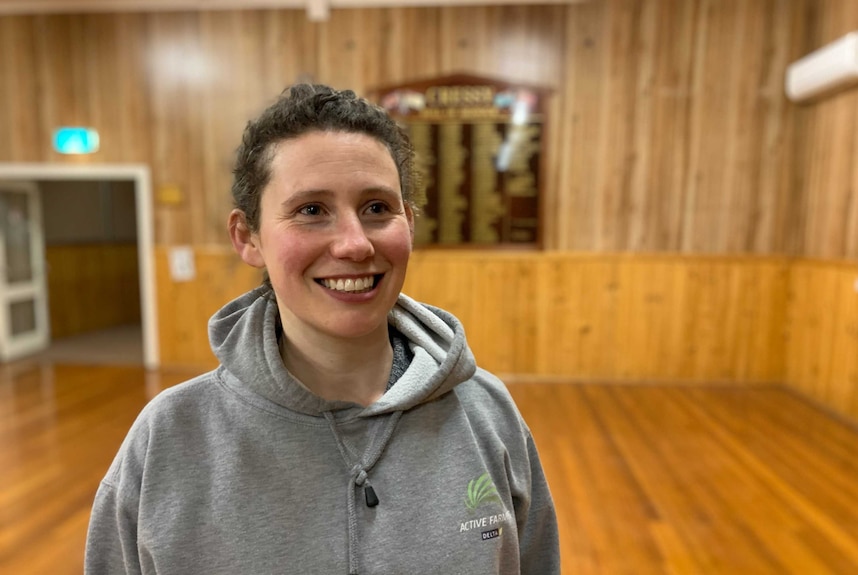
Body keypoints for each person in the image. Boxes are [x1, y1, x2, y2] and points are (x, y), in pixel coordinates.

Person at [85, 84, 559, 575]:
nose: (354, 244)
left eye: (377, 208)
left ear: (409, 224)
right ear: (247, 237)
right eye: (311, 210)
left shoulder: (489, 416)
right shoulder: (167, 440)